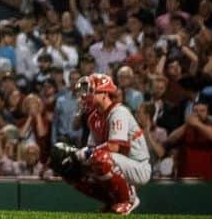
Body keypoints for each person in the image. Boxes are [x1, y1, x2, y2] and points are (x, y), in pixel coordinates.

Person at [53, 73, 150, 214]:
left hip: (137, 165)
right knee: (72, 169)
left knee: (99, 158)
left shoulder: (119, 112)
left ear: (104, 93)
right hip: (118, 162)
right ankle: (111, 201)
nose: (86, 96)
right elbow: (93, 148)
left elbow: (113, 146)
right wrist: (77, 158)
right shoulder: (93, 117)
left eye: (90, 91)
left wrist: (83, 153)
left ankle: (128, 199)